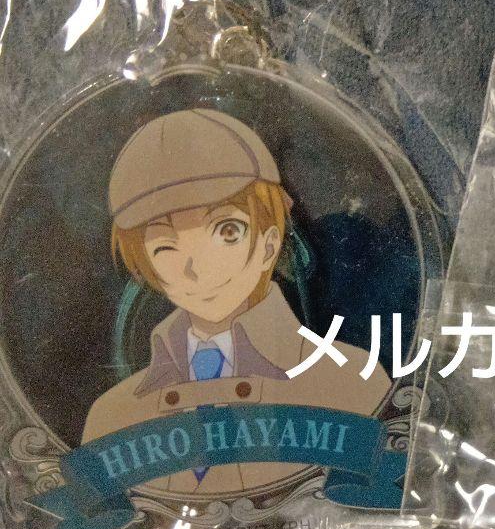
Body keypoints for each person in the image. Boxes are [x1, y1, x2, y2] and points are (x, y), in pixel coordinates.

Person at [82, 108, 391, 506]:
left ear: (270, 242)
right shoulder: (111, 416)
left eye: (227, 231)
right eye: (164, 246)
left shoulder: (351, 384)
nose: (196, 267)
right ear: (144, 267)